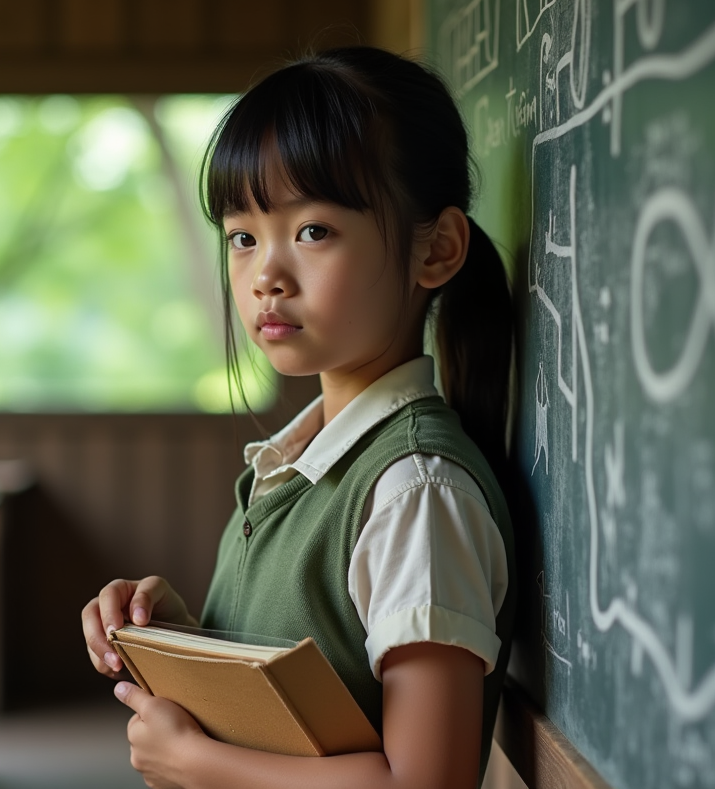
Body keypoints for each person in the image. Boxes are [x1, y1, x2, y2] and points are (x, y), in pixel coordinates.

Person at [81, 46, 516, 789]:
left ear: (436, 249)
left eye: (313, 230)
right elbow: (313, 701)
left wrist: (194, 762)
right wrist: (186, 638)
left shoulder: (415, 491)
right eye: (243, 237)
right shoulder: (302, 465)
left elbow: (425, 783)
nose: (265, 277)